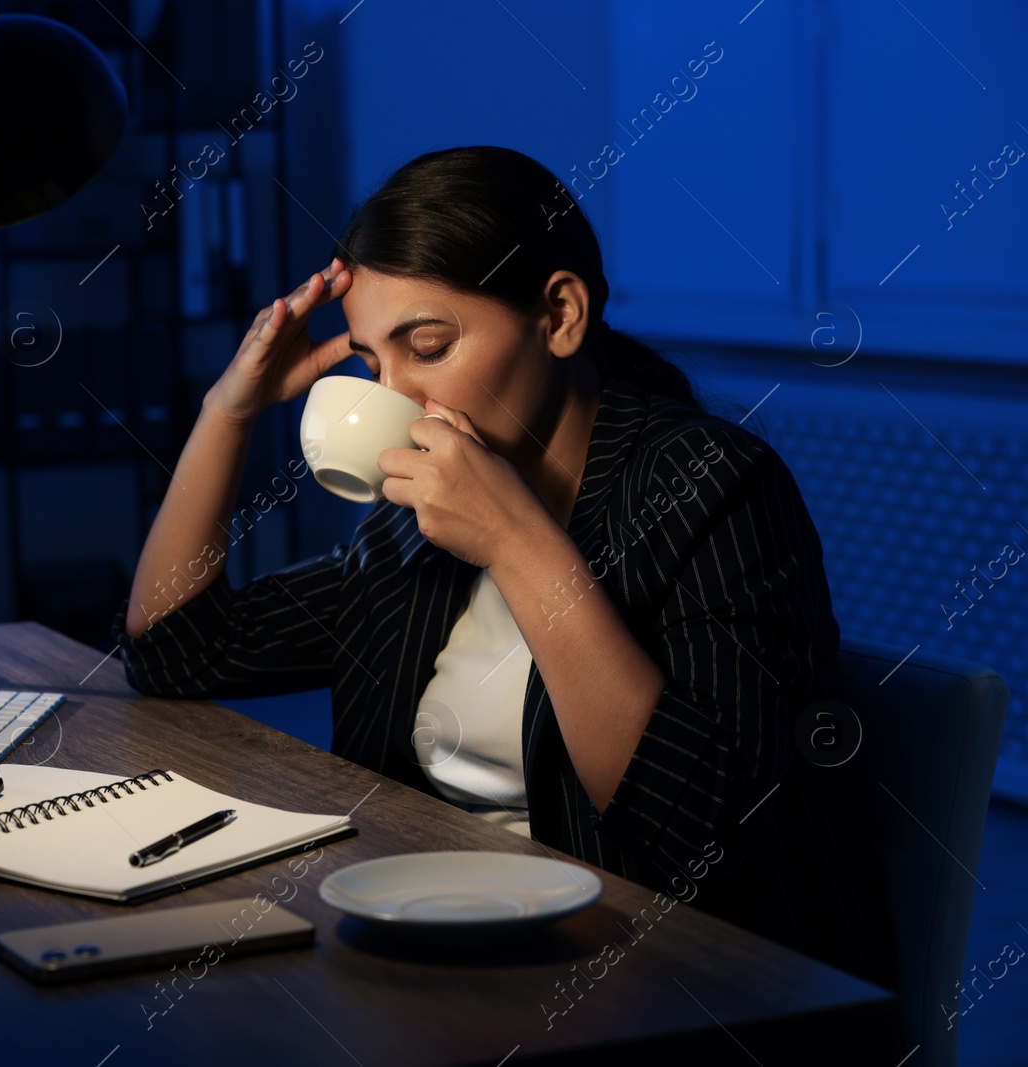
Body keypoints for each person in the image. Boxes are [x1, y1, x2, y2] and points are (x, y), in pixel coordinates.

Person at [112, 145, 897, 990]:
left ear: (559, 315)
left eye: (428, 345)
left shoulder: (711, 485)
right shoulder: (409, 532)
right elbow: (175, 648)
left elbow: (698, 829)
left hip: (678, 989)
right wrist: (227, 409)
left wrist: (520, 545)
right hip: (442, 956)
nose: (398, 396)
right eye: (374, 365)